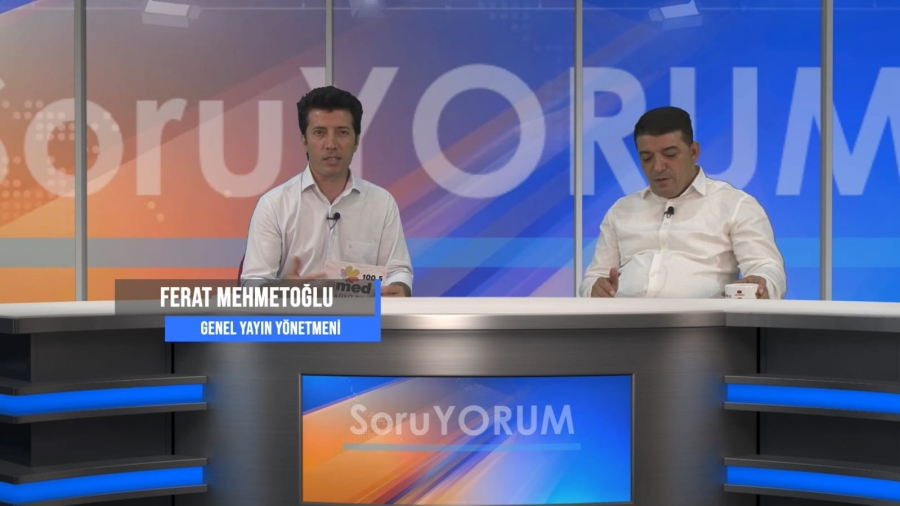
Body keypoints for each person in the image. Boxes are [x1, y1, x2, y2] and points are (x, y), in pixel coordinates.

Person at [580, 106, 786, 299]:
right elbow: (593, 278)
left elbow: (766, 267)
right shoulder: (621, 210)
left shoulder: (734, 205)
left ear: (693, 152)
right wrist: (594, 288)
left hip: (701, 321)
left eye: (670, 155)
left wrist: (762, 283)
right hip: (623, 320)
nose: (658, 167)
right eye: (647, 158)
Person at [240, 86, 413, 297]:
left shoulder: (381, 203)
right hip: (295, 316)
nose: (331, 144)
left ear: (356, 141)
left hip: (360, 316)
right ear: (304, 141)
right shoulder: (274, 205)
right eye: (319, 133)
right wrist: (285, 291)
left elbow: (398, 270)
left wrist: (399, 288)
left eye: (342, 132)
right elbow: (253, 284)